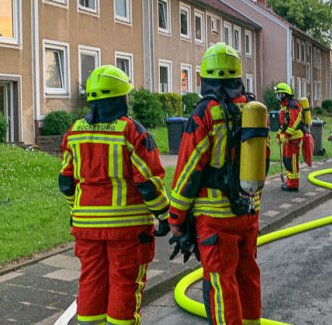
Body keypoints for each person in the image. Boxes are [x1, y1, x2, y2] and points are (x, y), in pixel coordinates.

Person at [58, 65, 171, 325]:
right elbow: (148, 183)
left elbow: (66, 181)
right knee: (124, 285)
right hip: (126, 230)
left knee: (91, 283)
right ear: (121, 98)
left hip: (86, 229)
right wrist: (165, 215)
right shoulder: (132, 132)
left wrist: (78, 211)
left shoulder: (75, 131)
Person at [169, 43, 262, 325]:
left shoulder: (205, 112)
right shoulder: (250, 108)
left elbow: (188, 169)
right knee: (247, 275)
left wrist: (176, 217)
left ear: (204, 78)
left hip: (215, 217)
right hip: (248, 211)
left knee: (221, 285)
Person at [274, 82, 303, 192]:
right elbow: (284, 124)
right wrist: (279, 134)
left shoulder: (293, 104)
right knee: (287, 160)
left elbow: (294, 122)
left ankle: (294, 184)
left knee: (292, 162)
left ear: (286, 94)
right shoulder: (284, 106)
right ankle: (289, 182)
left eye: (281, 95)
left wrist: (286, 135)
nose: (279, 97)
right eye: (278, 95)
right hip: (288, 139)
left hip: (293, 139)